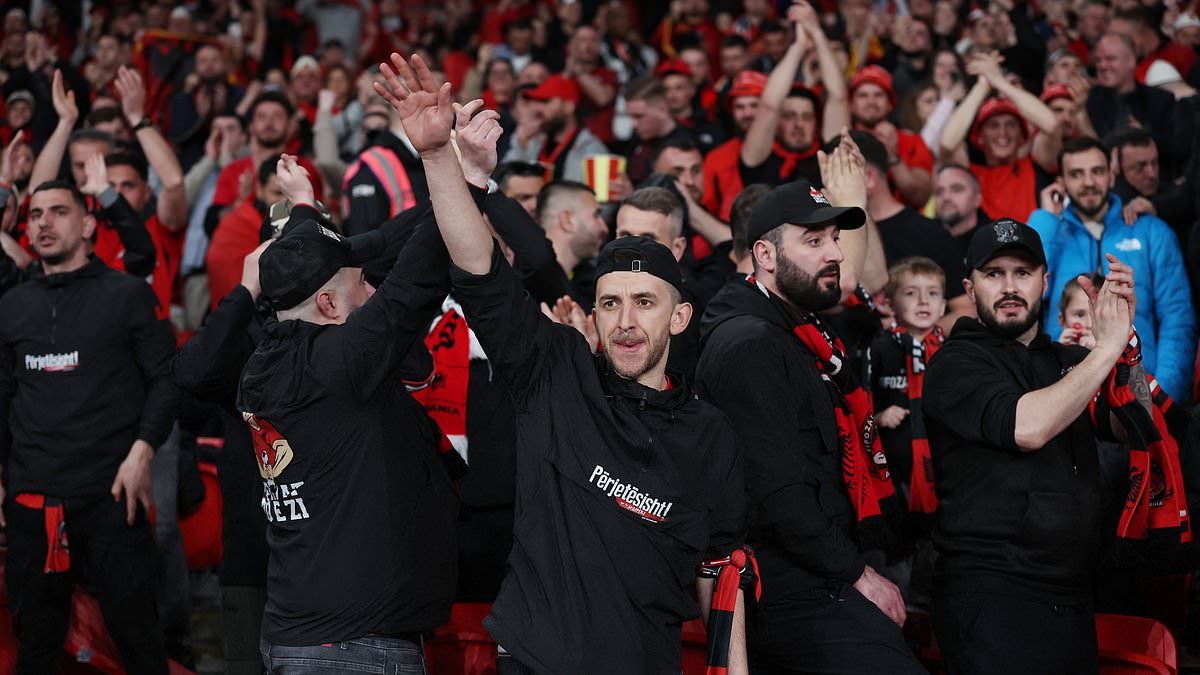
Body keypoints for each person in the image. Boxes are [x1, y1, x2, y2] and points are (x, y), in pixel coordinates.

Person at [696, 139, 925, 674]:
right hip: (789, 588)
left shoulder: (800, 330)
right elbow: (775, 492)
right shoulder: (750, 343)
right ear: (765, 255)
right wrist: (857, 574)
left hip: (819, 575)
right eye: (814, 240)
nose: (836, 254)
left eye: (836, 239)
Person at [237, 155, 457, 672]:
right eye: (364, 284)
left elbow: (307, 261)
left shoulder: (260, 365)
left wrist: (305, 207)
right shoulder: (339, 363)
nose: (375, 291)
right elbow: (414, 284)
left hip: (296, 635)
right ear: (331, 307)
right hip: (354, 648)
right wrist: (462, 176)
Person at [923, 218, 1145, 675]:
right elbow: (1028, 427)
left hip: (1071, 594)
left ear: (1045, 283)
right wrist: (1106, 351)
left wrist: (1128, 345)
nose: (1009, 286)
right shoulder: (954, 363)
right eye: (994, 273)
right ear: (970, 288)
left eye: (1022, 273)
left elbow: (1133, 425)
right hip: (992, 595)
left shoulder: (1068, 361)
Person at [0, 180, 178, 674]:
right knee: (35, 648)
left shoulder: (127, 296)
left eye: (59, 212)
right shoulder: (11, 306)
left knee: (140, 643)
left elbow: (167, 381)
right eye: (35, 214)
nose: (43, 222)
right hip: (33, 504)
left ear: (87, 225)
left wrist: (143, 451)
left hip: (112, 497)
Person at [1029, 137, 1195, 401]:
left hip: (1138, 389)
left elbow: (1177, 318)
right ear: (1061, 182)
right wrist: (1046, 218)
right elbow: (1029, 295)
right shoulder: (1051, 232)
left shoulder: (1151, 231)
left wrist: (1163, 396)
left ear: (1112, 175)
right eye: (1076, 174)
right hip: (1063, 390)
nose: (1088, 182)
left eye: (1097, 171)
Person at [867, 257, 947, 607]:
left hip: (939, 474)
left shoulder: (952, 353)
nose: (924, 301)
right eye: (912, 293)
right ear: (890, 303)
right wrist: (879, 416)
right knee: (896, 561)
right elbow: (857, 407)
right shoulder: (879, 349)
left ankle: (926, 613)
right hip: (893, 474)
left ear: (944, 304)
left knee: (934, 559)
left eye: (933, 293)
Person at [940, 51, 1062, 221]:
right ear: (980, 137)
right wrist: (982, 86)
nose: (1002, 133)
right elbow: (947, 143)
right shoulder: (970, 174)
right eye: (993, 126)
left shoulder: (1036, 164)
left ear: (1022, 136)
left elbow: (1052, 125)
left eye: (1011, 125)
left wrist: (999, 81)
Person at [740, 1, 847, 188]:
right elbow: (769, 105)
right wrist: (799, 46)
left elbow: (838, 97)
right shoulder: (759, 158)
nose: (798, 124)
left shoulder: (829, 159)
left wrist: (817, 33)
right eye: (789, 116)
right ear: (777, 123)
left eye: (807, 117)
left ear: (817, 124)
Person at [849, 65, 934, 208]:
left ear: (890, 104)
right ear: (852, 104)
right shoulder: (844, 141)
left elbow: (920, 197)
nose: (871, 102)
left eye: (878, 95)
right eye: (863, 95)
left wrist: (893, 155)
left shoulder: (913, 141)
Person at [502, 75, 608, 183]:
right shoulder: (535, 141)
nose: (538, 108)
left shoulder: (591, 149)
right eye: (537, 102)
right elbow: (506, 181)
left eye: (545, 101)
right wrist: (522, 144)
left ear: (568, 107)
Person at [703, 70, 766, 220]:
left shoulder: (787, 150)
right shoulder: (716, 158)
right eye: (739, 107)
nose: (747, 113)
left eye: (754, 105)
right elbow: (708, 209)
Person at [933, 163, 988, 254]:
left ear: (977, 199)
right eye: (939, 192)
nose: (946, 197)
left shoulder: (993, 240)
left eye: (957, 189)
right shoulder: (922, 236)